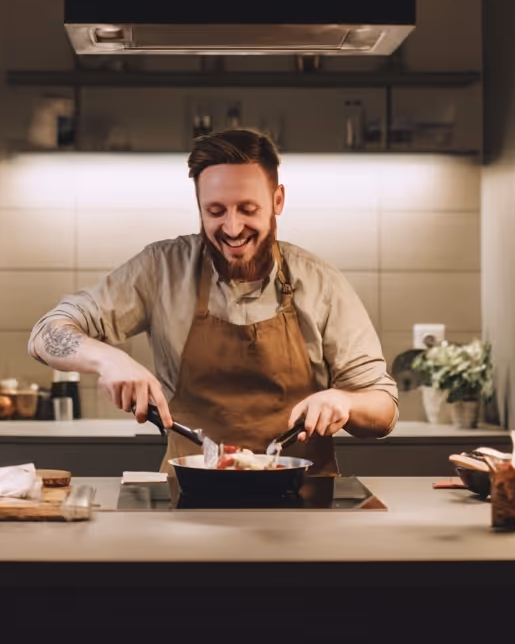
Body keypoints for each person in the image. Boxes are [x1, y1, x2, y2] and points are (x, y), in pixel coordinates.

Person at [27, 129, 398, 474]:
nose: (233, 229)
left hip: (304, 502)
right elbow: (46, 334)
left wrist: (346, 403)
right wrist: (108, 360)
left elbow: (383, 410)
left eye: (248, 209)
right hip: (188, 498)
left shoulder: (321, 283)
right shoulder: (162, 269)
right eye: (216, 211)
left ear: (277, 200)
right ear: (199, 205)